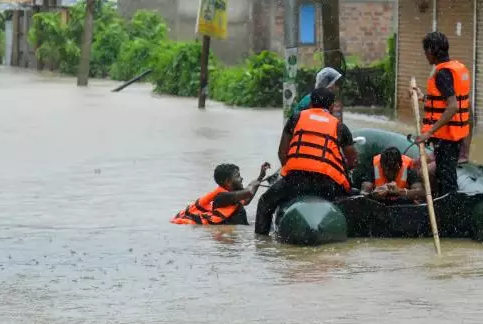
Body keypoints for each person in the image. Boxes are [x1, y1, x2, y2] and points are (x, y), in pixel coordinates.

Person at [255, 88, 356, 235]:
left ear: (310, 104)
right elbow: (353, 160)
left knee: (265, 202)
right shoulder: (340, 127)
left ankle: (261, 242)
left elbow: (282, 153)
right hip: (327, 185)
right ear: (332, 106)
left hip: (296, 181)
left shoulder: (295, 119)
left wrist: (290, 174)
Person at [414, 31, 472, 195]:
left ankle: (449, 215)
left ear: (432, 51)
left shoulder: (442, 74)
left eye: (426, 51)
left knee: (446, 180)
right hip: (453, 137)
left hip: (447, 139)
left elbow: (452, 107)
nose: (425, 55)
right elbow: (443, 101)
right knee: (444, 175)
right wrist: (423, 97)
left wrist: (429, 132)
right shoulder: (454, 68)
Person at [171, 161, 271, 226]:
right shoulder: (223, 197)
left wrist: (260, 177)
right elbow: (249, 191)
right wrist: (255, 183)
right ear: (227, 182)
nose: (241, 178)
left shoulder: (231, 194)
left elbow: (246, 200)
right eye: (238, 176)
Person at [361, 146, 432, 203]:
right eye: (386, 170)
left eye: (393, 170)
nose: (388, 174)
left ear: (400, 166)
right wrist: (373, 194)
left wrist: (399, 191)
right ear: (381, 165)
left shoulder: (408, 170)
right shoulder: (374, 169)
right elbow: (363, 193)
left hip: (402, 207)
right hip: (380, 206)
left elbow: (422, 193)